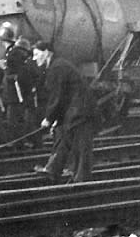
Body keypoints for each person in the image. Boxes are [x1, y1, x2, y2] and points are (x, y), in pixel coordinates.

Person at [34, 41, 99, 183]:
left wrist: (49, 118)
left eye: (37, 54)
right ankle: (54, 170)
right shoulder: (57, 65)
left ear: (46, 53)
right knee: (63, 136)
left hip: (81, 110)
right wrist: (55, 118)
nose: (35, 58)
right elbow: (61, 95)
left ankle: (81, 180)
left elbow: (58, 95)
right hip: (75, 109)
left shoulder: (57, 67)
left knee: (82, 146)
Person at [0, 23, 35, 144]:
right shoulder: (11, 52)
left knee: (14, 120)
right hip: (12, 93)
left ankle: (20, 142)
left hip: (16, 94)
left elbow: (20, 74)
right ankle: (20, 141)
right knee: (13, 119)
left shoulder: (14, 53)